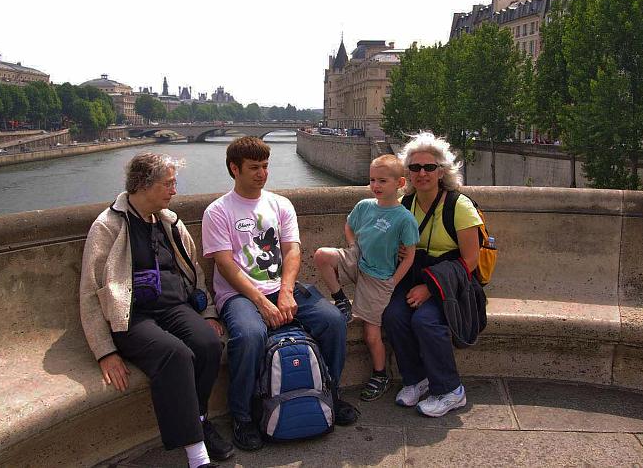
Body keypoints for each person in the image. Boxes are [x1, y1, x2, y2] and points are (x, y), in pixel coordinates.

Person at [201, 136, 359, 452]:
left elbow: (292, 251)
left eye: (265, 166)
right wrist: (260, 302)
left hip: (282, 289)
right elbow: (225, 265)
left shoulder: (280, 204)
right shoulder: (217, 211)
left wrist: (285, 292)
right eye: (254, 168)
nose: (262, 173)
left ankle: (331, 393)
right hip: (239, 295)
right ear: (235, 169)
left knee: (333, 320)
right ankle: (242, 416)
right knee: (248, 336)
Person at [79, 153, 232, 468]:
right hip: (133, 317)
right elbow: (89, 293)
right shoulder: (108, 226)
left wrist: (208, 313)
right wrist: (105, 351)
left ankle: (198, 417)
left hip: (174, 307)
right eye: (168, 183)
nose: (174, 191)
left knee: (207, 344)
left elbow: (194, 273)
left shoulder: (170, 222)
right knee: (176, 355)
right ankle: (197, 454)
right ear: (143, 184)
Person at [382, 132, 483, 418]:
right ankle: (417, 379)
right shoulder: (405, 205)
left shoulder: (458, 206)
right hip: (417, 278)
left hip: (452, 284)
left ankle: (451, 390)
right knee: (394, 316)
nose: (422, 173)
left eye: (429, 167)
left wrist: (429, 288)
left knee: (426, 321)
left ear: (442, 171)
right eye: (415, 168)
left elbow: (471, 260)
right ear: (408, 173)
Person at [314, 154, 419, 401]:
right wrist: (352, 246)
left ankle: (380, 374)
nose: (376, 186)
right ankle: (341, 299)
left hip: (379, 278)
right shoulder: (364, 206)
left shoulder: (404, 218)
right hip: (358, 260)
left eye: (382, 181)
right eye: (372, 180)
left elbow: (409, 257)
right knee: (321, 256)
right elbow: (349, 225)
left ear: (400, 183)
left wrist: (392, 282)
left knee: (371, 334)